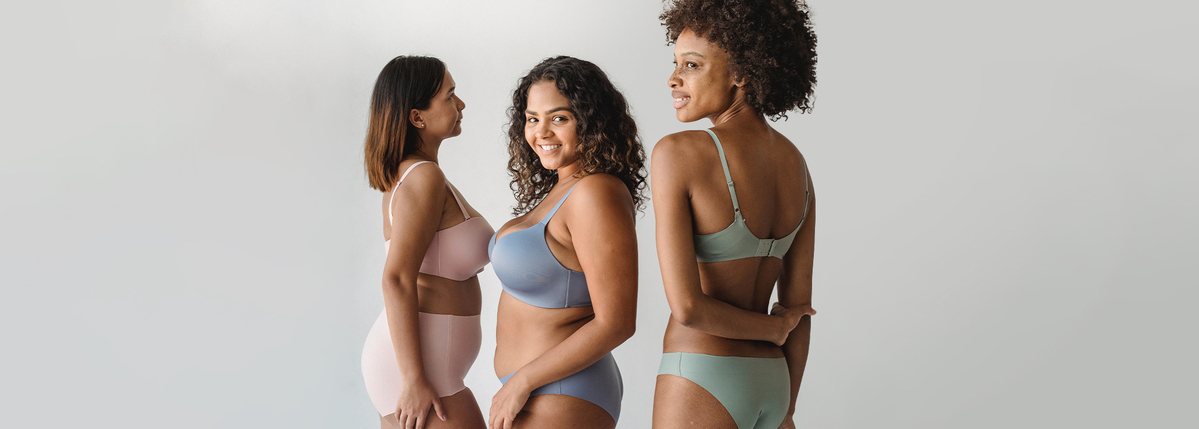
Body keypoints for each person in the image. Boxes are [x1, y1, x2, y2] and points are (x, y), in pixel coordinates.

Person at [651, 1, 819, 428]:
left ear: (741, 73)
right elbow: (798, 309)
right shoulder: (797, 166)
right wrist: (787, 411)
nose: (673, 78)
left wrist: (772, 329)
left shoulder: (678, 153)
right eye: (676, 63)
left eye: (691, 65)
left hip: (703, 373)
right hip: (775, 381)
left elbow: (688, 308)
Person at [487, 56, 645, 429]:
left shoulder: (595, 192)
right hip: (540, 389)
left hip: (561, 389)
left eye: (559, 118)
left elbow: (617, 323)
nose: (541, 132)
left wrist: (522, 381)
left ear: (591, 122)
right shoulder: (564, 188)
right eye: (532, 119)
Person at [360, 56, 492, 429]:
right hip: (420, 372)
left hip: (424, 365)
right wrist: (414, 380)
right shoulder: (423, 177)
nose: (461, 104)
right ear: (417, 117)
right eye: (450, 96)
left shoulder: (418, 175)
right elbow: (397, 278)